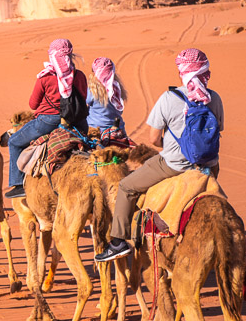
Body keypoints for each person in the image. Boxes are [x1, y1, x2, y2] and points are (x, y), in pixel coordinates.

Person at [94, 48, 224, 261]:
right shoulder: (215, 98)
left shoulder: (169, 97)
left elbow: (154, 139)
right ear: (205, 71)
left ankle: (118, 241)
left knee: (126, 187)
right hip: (209, 164)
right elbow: (216, 132)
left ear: (181, 71)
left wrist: (172, 147)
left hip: (174, 164)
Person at [5, 38, 88, 199]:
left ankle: (17, 184)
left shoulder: (45, 77)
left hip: (48, 122)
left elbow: (33, 104)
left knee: (14, 142)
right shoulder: (79, 75)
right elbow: (83, 97)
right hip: (78, 123)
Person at [86, 57, 127, 133]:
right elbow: (120, 111)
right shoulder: (118, 89)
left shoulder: (91, 90)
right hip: (118, 128)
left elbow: (85, 106)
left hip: (95, 129)